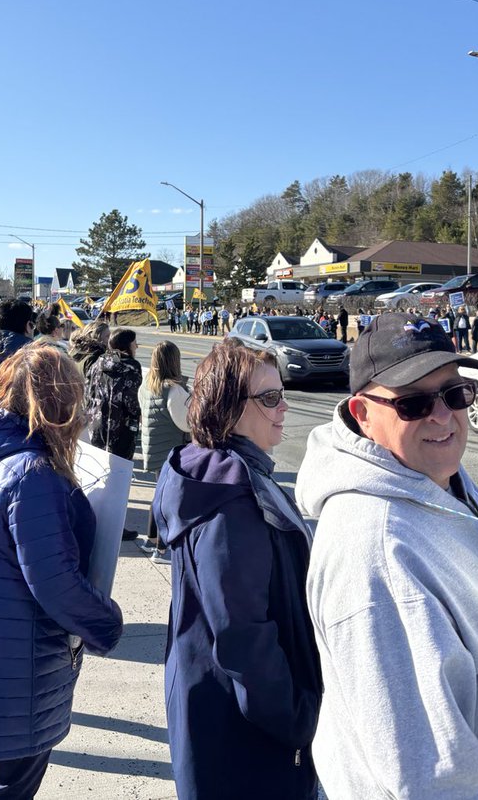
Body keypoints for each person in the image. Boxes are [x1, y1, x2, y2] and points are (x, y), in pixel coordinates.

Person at [296, 312, 478, 798]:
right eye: (413, 404)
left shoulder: (432, 480)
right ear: (361, 414)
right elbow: (429, 770)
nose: (442, 417)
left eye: (456, 395)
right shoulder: (374, 551)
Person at [0, 344, 124, 799]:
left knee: (6, 776)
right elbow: (56, 585)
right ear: (58, 405)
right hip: (15, 657)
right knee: (12, 785)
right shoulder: (32, 475)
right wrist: (107, 622)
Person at [152, 338, 322, 800]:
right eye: (268, 398)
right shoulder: (233, 503)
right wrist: (298, 717)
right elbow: (244, 635)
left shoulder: (209, 471)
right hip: (242, 725)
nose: (283, 406)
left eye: (282, 392)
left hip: (214, 696)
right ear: (226, 408)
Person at [138, 341, 190, 559]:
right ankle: (161, 548)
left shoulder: (147, 385)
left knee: (158, 496)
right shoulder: (175, 390)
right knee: (169, 500)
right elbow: (186, 423)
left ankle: (151, 540)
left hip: (154, 447)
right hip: (172, 449)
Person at [86, 329, 143, 462]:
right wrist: (139, 414)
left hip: (97, 422)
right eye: (134, 343)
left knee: (99, 466)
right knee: (119, 470)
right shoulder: (132, 367)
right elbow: (132, 401)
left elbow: (89, 389)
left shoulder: (98, 362)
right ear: (126, 345)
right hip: (122, 427)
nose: (136, 346)